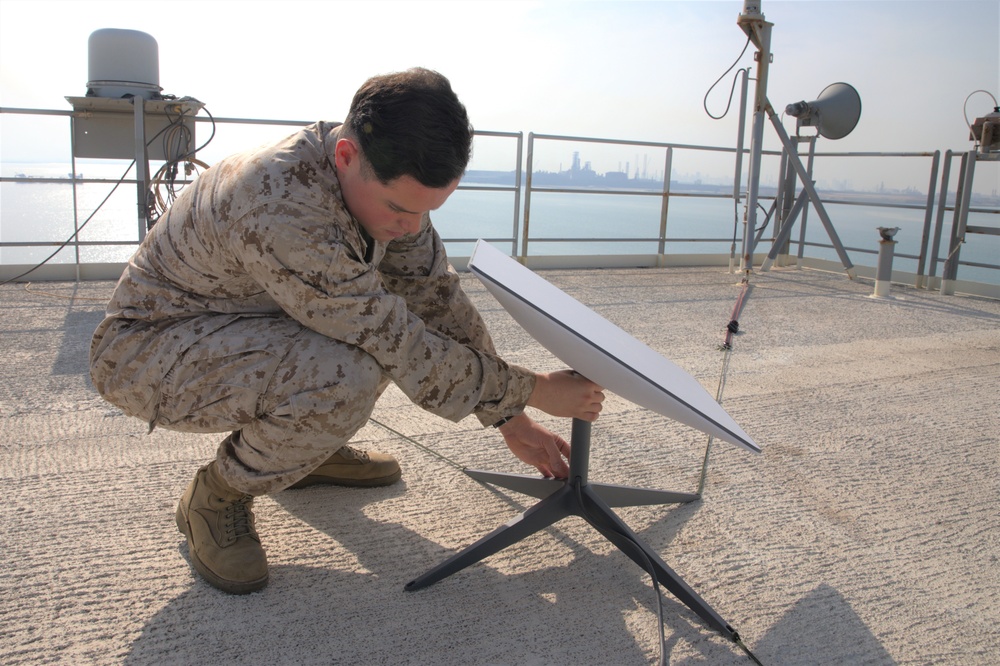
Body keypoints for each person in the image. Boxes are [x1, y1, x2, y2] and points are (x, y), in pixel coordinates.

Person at [90, 68, 604, 595]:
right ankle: (216, 494)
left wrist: (512, 420)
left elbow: (435, 299)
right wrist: (536, 391)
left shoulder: (382, 184)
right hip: (148, 350)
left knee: (371, 335)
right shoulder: (280, 205)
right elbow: (400, 342)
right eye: (401, 209)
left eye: (428, 211)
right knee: (349, 371)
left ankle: (304, 448)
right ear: (345, 157)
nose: (411, 226)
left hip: (244, 319)